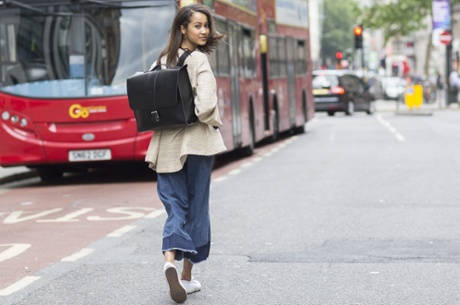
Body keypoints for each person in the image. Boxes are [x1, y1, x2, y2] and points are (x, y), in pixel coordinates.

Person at [145, 4, 226, 304]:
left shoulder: (161, 61)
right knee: (197, 207)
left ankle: (169, 261)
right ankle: (187, 277)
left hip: (165, 144)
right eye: (197, 26)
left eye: (206, 25)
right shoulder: (200, 61)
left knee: (174, 206)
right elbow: (206, 107)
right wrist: (215, 121)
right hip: (196, 144)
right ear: (183, 28)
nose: (204, 31)